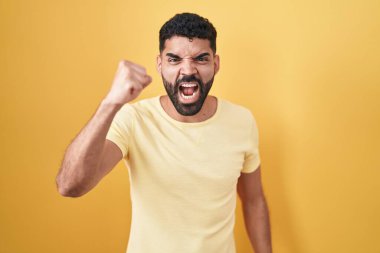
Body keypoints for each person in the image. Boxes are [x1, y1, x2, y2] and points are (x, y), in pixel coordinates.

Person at [56, 12, 272, 253]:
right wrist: (110, 104)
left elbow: (254, 201)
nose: (188, 70)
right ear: (159, 64)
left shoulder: (242, 121)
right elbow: (70, 186)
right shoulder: (133, 119)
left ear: (216, 63)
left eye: (201, 59)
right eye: (174, 59)